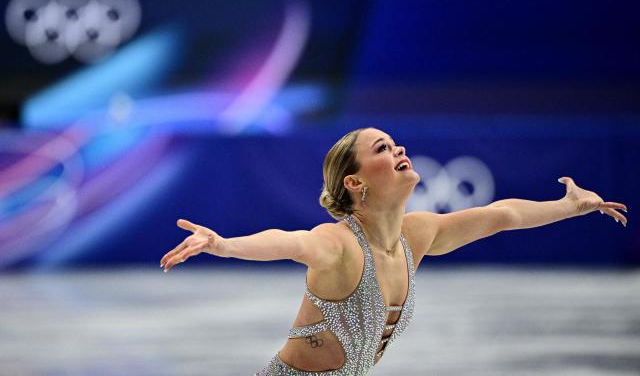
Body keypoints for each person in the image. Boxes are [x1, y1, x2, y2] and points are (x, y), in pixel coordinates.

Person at [159, 127, 628, 375]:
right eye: (382, 147)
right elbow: (287, 241)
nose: (399, 147)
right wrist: (222, 244)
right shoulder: (339, 244)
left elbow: (501, 214)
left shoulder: (416, 235)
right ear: (355, 181)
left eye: (395, 141)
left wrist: (567, 207)